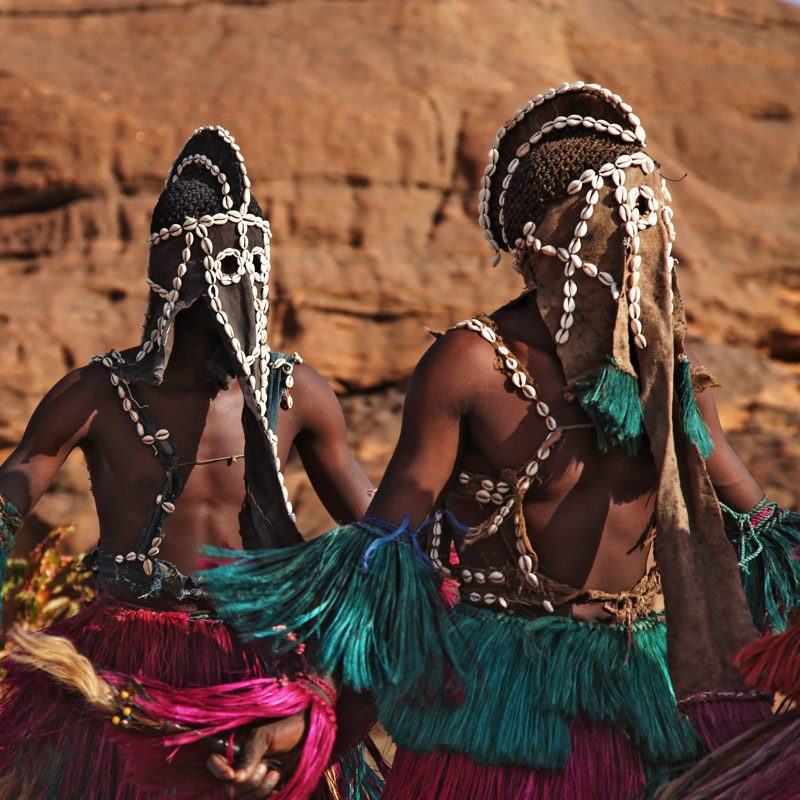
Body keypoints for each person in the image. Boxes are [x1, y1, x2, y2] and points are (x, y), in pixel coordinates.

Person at [200, 83, 800, 799]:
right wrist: (315, 707)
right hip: (509, 716)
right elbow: (386, 557)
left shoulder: (667, 375)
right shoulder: (473, 366)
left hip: (658, 697)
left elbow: (762, 537)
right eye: (620, 215)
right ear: (555, 240)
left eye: (649, 214)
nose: (641, 237)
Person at [0, 126, 377, 800]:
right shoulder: (100, 395)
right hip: (126, 658)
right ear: (183, 279)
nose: (247, 293)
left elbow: (387, 531)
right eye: (228, 272)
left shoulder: (294, 394)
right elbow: (18, 483)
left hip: (257, 662)